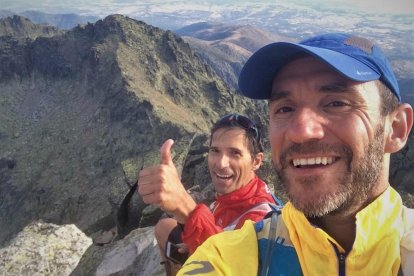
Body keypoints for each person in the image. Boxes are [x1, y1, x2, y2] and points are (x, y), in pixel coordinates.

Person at [178, 33, 414, 276]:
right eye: (285, 108)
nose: (301, 131)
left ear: (396, 128)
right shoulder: (226, 257)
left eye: (336, 103)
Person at [138, 114, 280, 275]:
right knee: (164, 227)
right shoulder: (232, 195)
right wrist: (190, 239)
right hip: (215, 247)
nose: (221, 163)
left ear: (256, 161)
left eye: (234, 153)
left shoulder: (264, 219)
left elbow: (233, 267)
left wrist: (186, 208)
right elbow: (224, 232)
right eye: (215, 151)